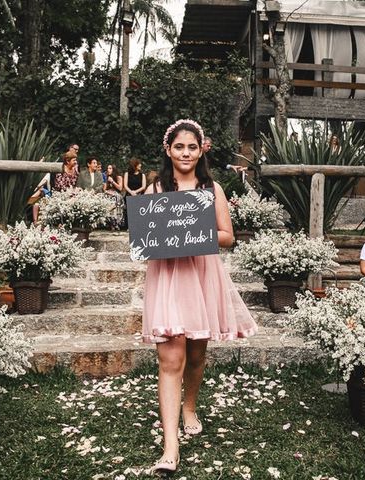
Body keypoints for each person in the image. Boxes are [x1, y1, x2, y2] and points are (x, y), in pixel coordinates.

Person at [143, 119, 258, 473]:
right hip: (167, 276)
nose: (185, 153)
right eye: (179, 147)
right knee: (170, 358)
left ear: (201, 149)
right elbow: (145, 239)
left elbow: (228, 235)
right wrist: (158, 237)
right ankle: (170, 447)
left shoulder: (212, 188)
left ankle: (189, 405)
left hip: (201, 275)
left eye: (192, 147)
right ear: (168, 150)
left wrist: (194, 229)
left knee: (196, 354)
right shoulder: (156, 189)